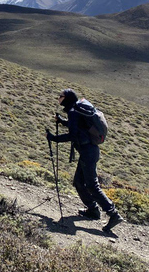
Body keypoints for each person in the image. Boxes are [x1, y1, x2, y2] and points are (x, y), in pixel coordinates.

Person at [46, 88, 124, 233]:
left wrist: (54, 138)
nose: (59, 99)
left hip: (88, 152)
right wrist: (63, 121)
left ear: (67, 98)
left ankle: (114, 214)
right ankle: (93, 210)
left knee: (92, 185)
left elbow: (73, 135)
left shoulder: (73, 111)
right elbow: (78, 128)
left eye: (61, 96)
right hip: (89, 151)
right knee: (78, 182)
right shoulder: (75, 111)